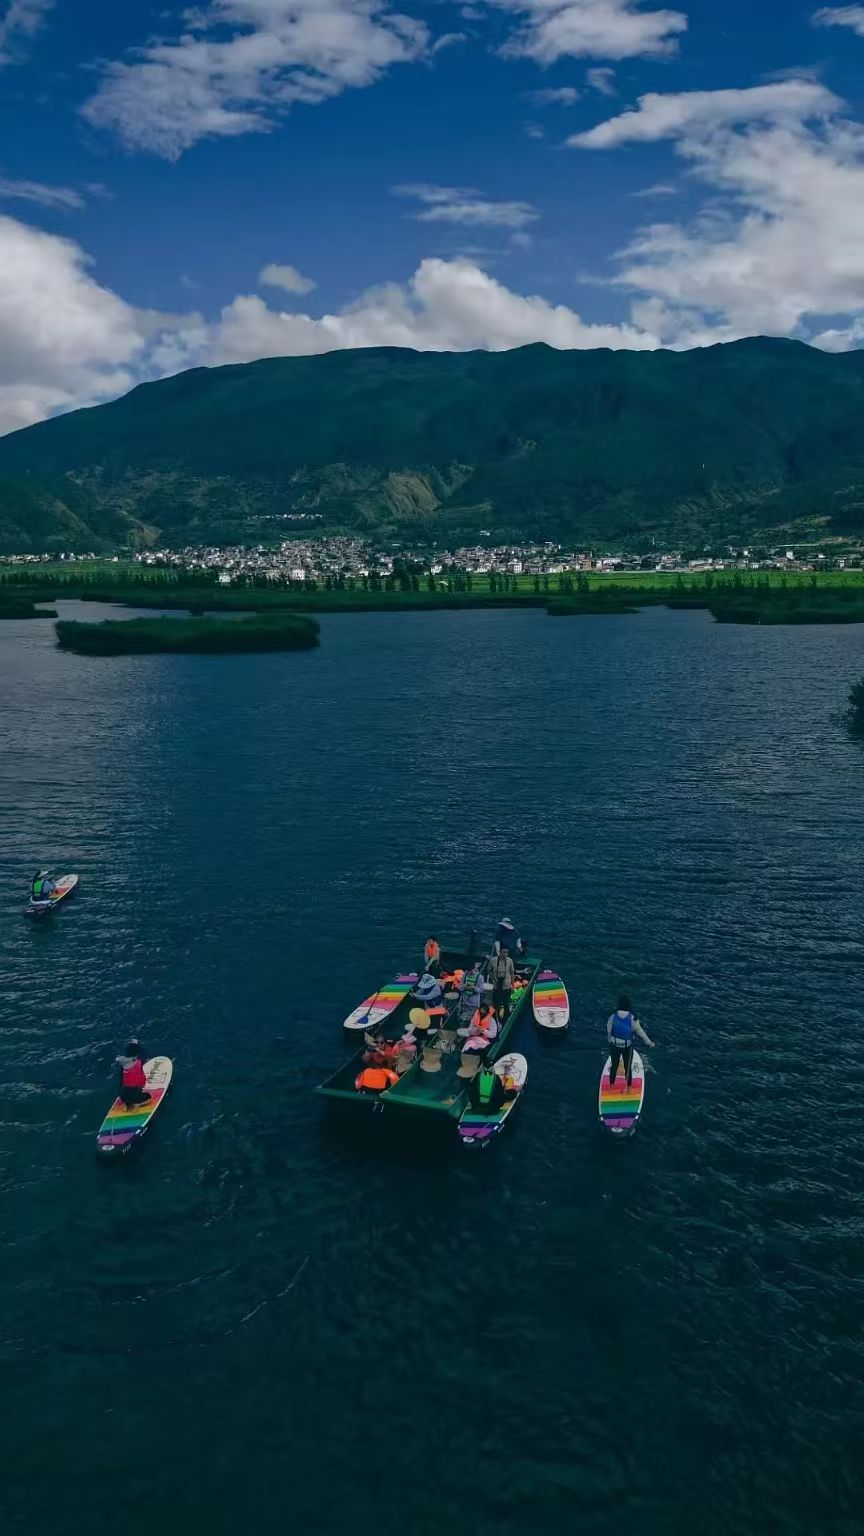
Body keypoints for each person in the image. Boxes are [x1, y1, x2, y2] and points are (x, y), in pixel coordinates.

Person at [607, 996, 654, 1090]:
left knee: (614, 1067)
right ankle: (628, 1089)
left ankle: (611, 1087)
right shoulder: (633, 1019)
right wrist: (649, 1043)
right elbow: (641, 1033)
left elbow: (609, 1030)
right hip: (626, 1048)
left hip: (614, 1046)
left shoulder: (613, 1016)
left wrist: (610, 1040)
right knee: (627, 1068)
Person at [116, 1040, 152, 1110]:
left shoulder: (123, 1065)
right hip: (135, 1096)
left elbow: (121, 1082)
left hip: (124, 1096)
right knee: (149, 1097)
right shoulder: (139, 1062)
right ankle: (137, 1104)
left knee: (127, 1088)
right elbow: (142, 1081)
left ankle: (125, 1105)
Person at [488, 946, 515, 1022]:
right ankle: (496, 1019)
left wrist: (512, 986)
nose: (506, 954)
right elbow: (489, 970)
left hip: (506, 986)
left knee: (506, 1004)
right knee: (496, 1004)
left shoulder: (510, 961)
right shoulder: (493, 960)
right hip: (497, 986)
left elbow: (512, 973)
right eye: (504, 953)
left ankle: (506, 1020)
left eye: (507, 953)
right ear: (499, 952)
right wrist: (494, 977)